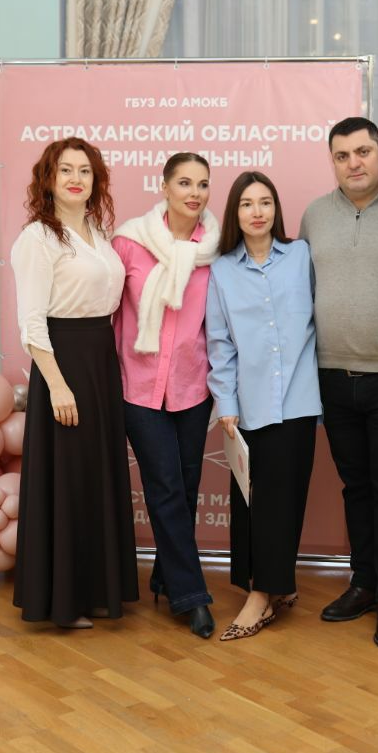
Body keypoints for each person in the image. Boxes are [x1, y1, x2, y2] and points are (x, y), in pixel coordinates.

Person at [298, 117, 378, 649]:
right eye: (342, 155)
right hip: (332, 375)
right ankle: (364, 584)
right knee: (357, 488)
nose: (354, 163)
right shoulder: (315, 215)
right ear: (333, 161)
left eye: (363, 151)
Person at [11, 137, 137, 628]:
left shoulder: (99, 234)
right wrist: (58, 387)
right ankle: (64, 600)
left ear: (96, 180)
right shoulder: (38, 238)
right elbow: (32, 323)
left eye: (85, 170)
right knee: (69, 481)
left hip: (100, 363)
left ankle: (98, 590)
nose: (75, 178)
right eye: (65, 169)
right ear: (49, 178)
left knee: (95, 478)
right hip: (62, 364)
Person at [206, 172, 321, 641]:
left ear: (276, 208)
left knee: (285, 498)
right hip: (249, 402)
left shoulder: (301, 256)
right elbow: (220, 343)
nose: (257, 212)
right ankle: (266, 588)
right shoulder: (222, 270)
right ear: (234, 213)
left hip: (299, 398)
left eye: (266, 202)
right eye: (247, 204)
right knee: (252, 500)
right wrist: (226, 401)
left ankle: (268, 592)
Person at [112, 153, 221, 639]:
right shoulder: (129, 243)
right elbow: (108, 314)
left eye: (202, 184)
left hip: (192, 387)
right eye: (184, 183)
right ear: (164, 186)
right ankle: (191, 597)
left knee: (188, 485)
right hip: (137, 388)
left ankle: (164, 575)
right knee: (166, 487)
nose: (194, 193)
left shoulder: (215, 250)